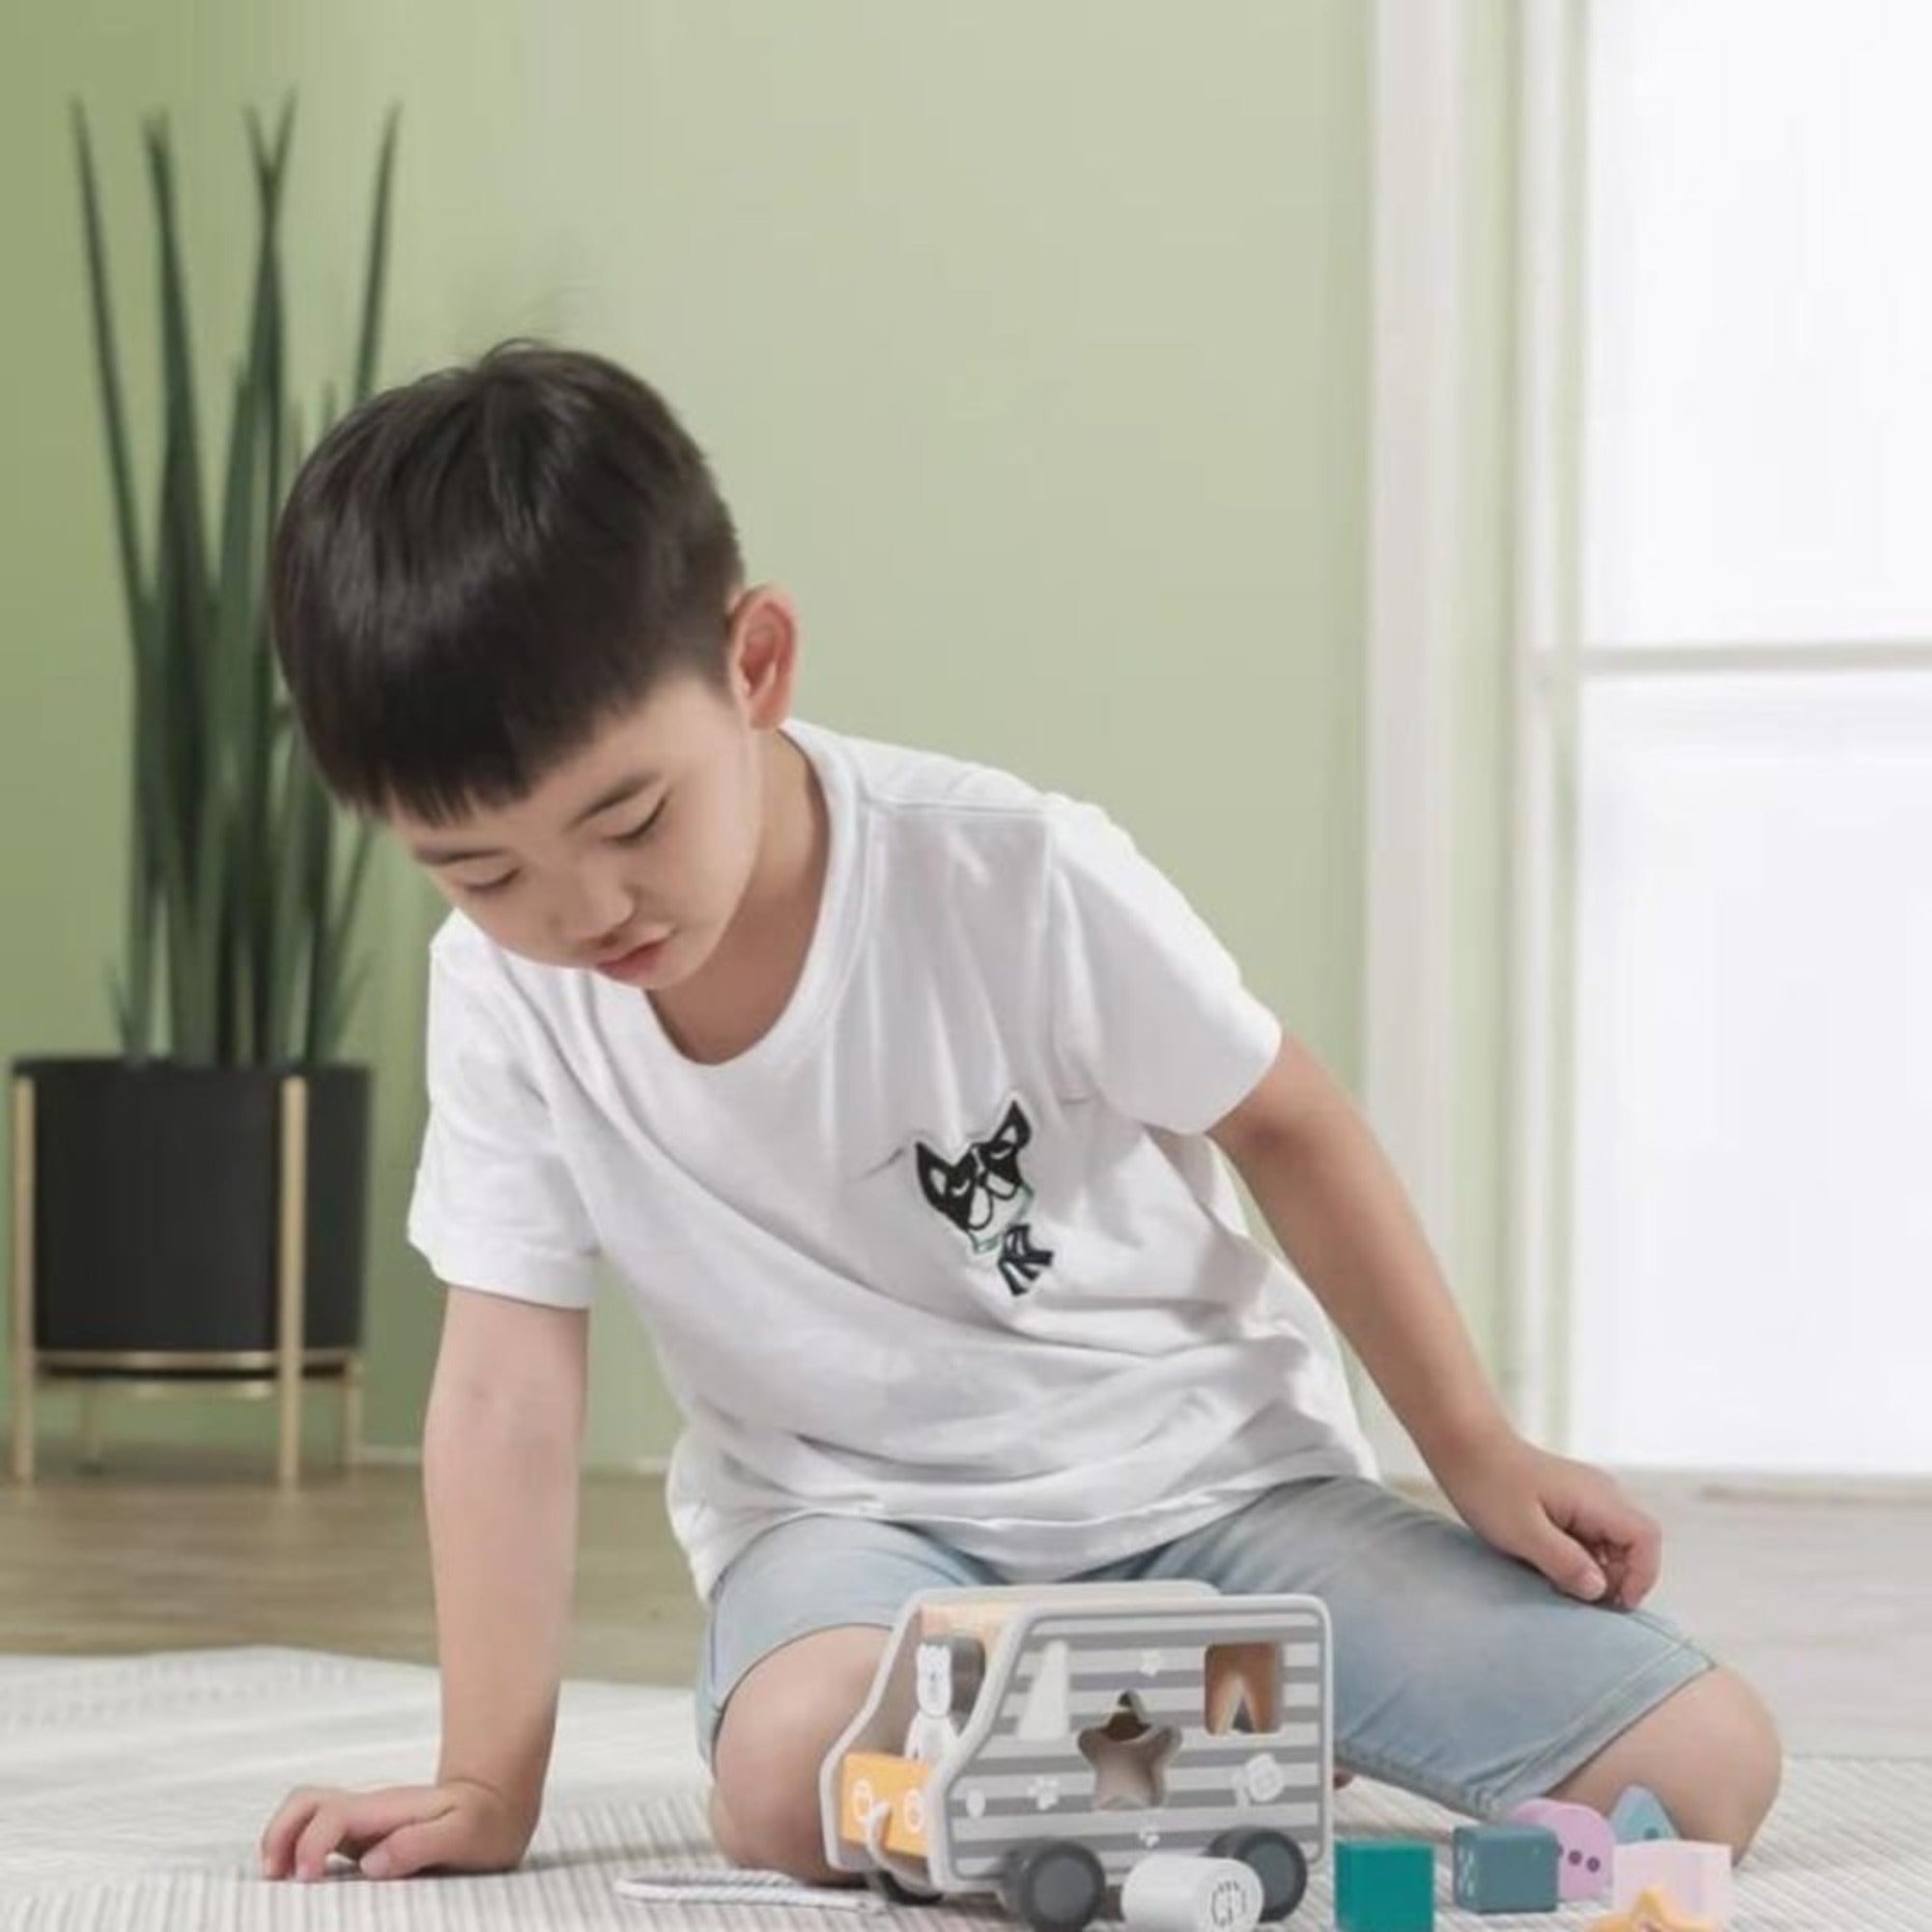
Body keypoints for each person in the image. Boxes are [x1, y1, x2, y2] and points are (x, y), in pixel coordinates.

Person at [255, 342, 1780, 1889]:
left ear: (755, 665)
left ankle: (1167, 1729)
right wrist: (485, 1780)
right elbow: (505, 1386)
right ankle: (1206, 1735)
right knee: (792, 1775)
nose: (583, 910)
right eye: (481, 872)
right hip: (859, 1540)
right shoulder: (502, 993)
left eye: (632, 818)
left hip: (1216, 1494)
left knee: (1705, 1769)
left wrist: (1473, 1449)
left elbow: (1289, 1122)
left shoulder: (1010, 869)